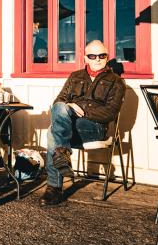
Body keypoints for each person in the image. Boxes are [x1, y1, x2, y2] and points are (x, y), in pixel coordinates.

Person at [39, 40, 126, 206]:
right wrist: (71, 106)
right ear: (85, 58)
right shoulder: (75, 76)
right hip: (71, 126)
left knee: (53, 131)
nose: (97, 59)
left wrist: (84, 111)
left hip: (94, 128)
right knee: (59, 107)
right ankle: (62, 153)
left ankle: (54, 188)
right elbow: (59, 101)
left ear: (107, 58)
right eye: (92, 56)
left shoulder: (116, 81)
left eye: (102, 55)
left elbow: (110, 113)